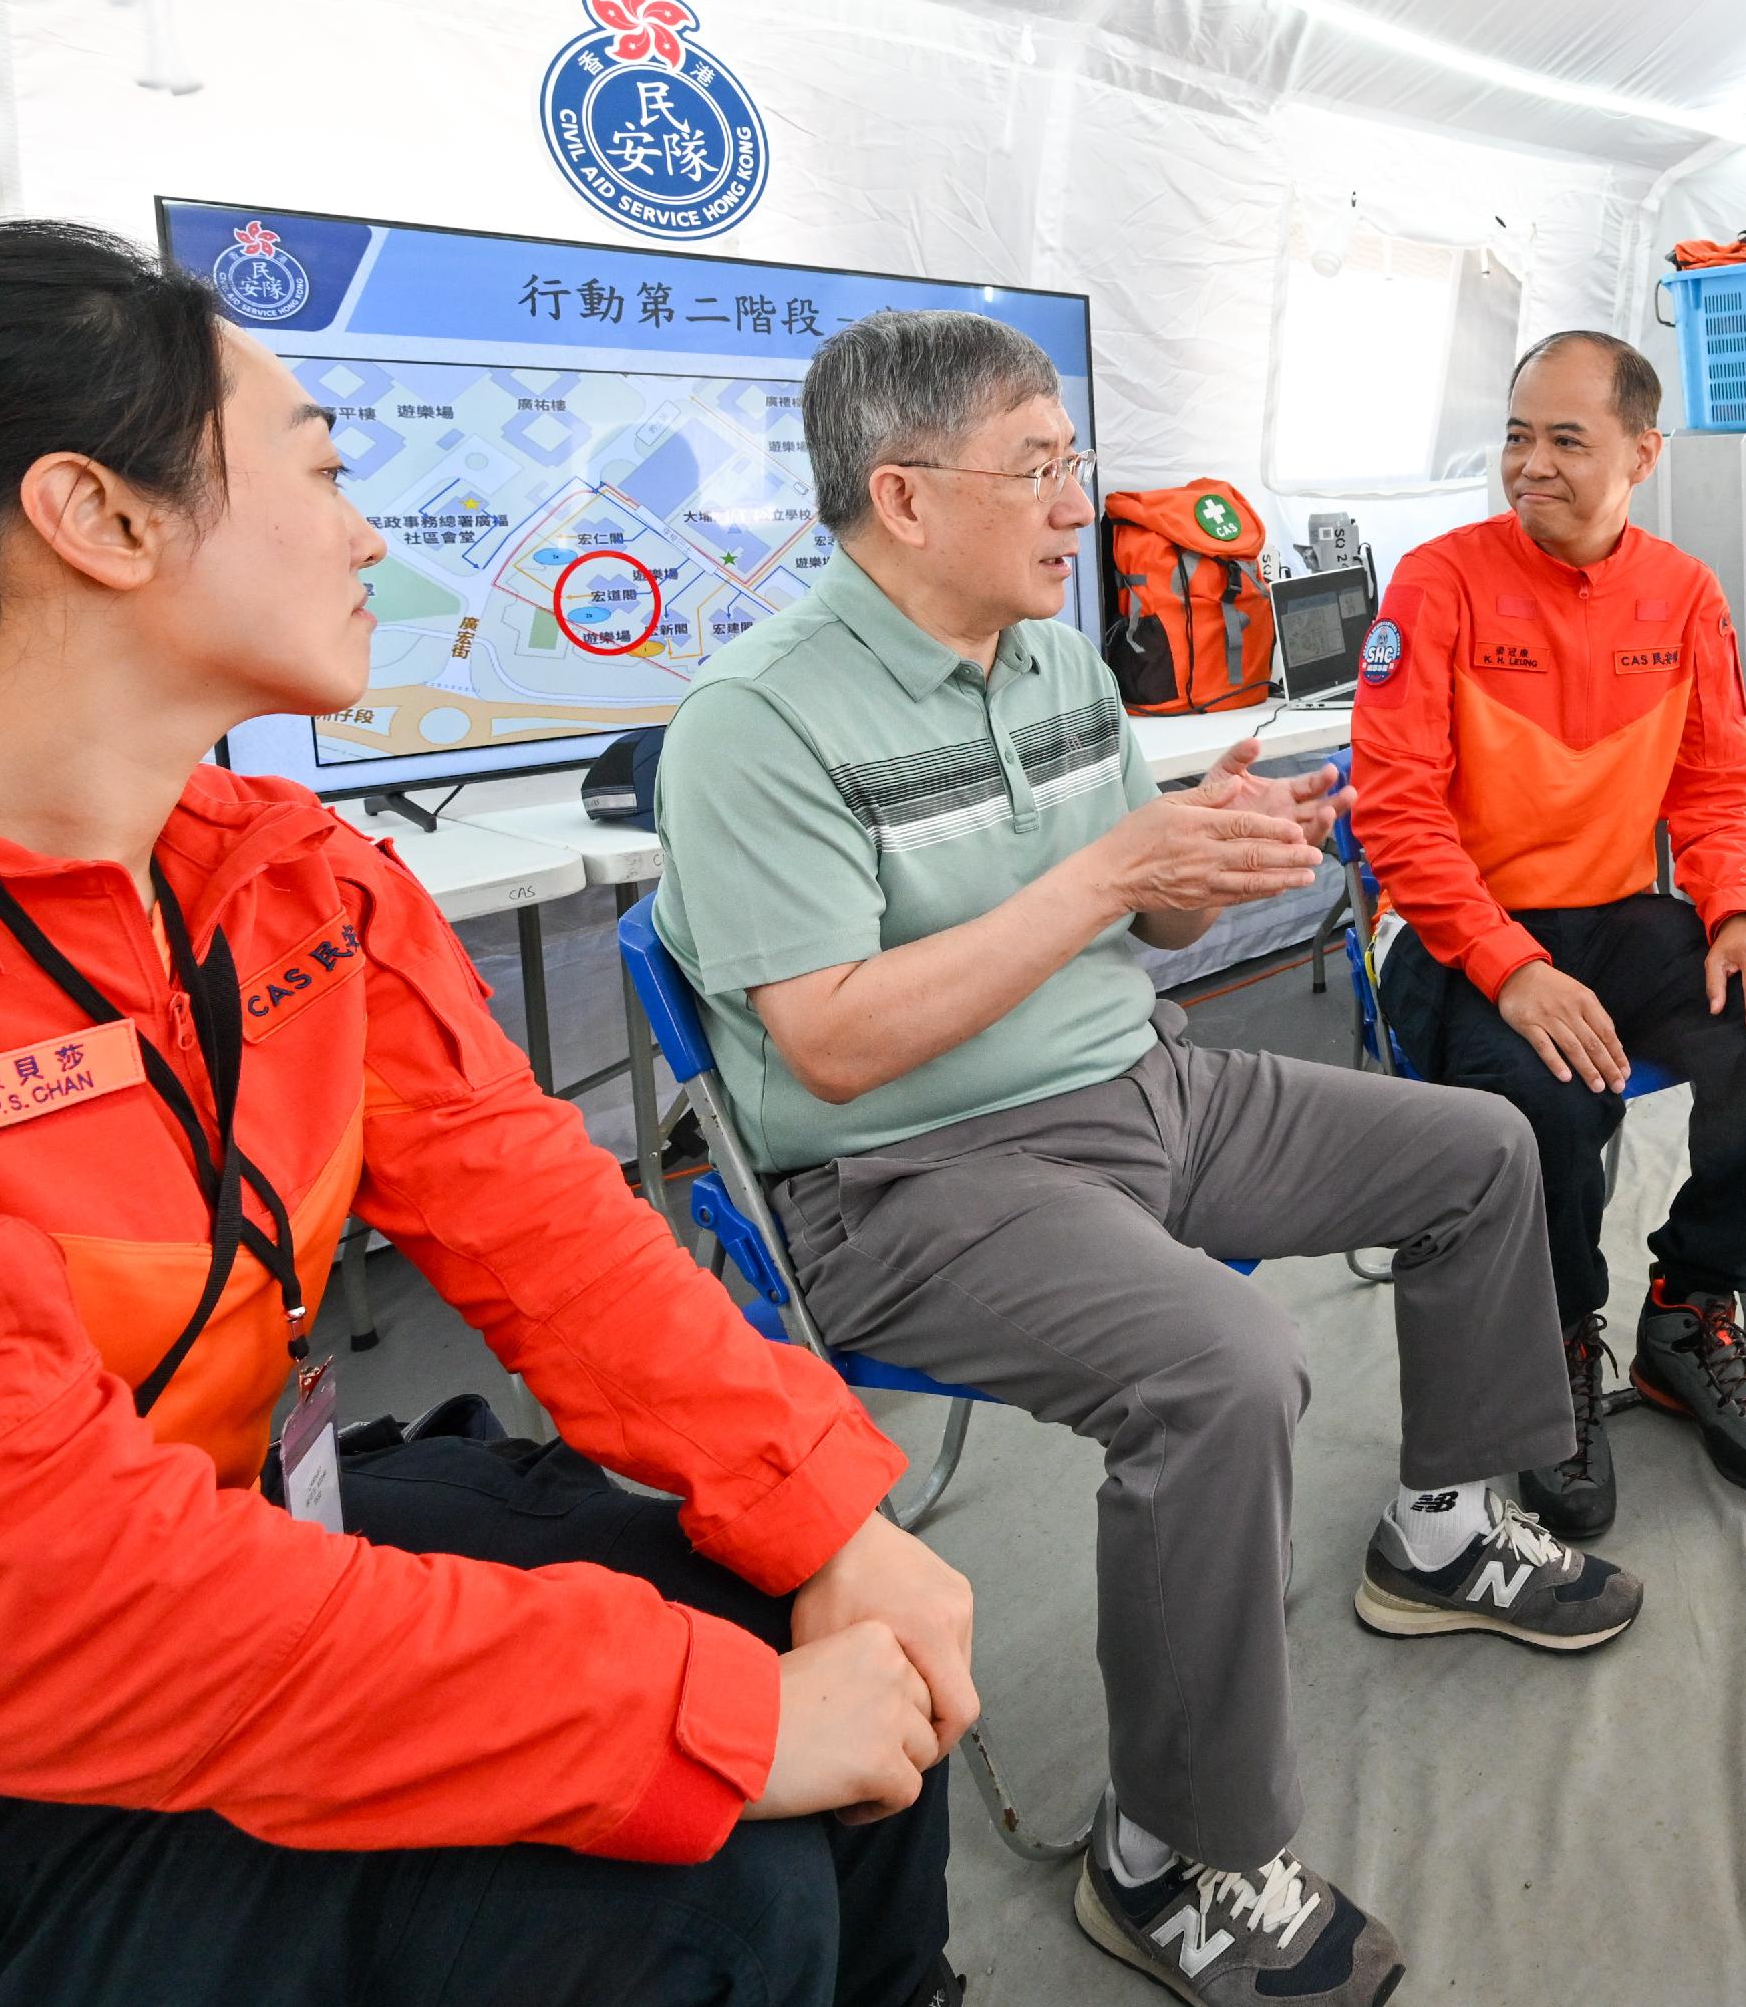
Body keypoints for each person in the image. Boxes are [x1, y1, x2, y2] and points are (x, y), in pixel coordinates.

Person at [0, 223, 970, 2007]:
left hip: (185, 1569)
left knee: (827, 1647)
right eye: (323, 468)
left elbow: (548, 1226)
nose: (373, 534)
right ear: (100, 518)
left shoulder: (284, 882)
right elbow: (36, 1615)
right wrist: (704, 1719)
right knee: (706, 1878)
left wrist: (829, 1517)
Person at [651, 308, 1638, 2007]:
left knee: (1484, 1147)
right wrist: (1113, 882)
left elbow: (1143, 915)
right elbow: (831, 1041)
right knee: (1227, 1362)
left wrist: (1213, 856)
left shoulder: (1053, 653)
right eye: (1037, 466)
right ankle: (1169, 1848)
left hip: (1142, 1083)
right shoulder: (753, 728)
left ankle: (1443, 1528)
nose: (1074, 502)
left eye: (1070, 460)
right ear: (901, 495)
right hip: (914, 1174)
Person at [1353, 329, 1746, 1535]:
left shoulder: (1683, 594)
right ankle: (1558, 1342)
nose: (1530, 464)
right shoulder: (1436, 582)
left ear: (1642, 453)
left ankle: (1689, 1312)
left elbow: (1713, 791)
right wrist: (1509, 967)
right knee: (1551, 1101)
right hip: (1452, 927)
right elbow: (1398, 813)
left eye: (1567, 440)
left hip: (1615, 914)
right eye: (1517, 435)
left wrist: (1739, 914)